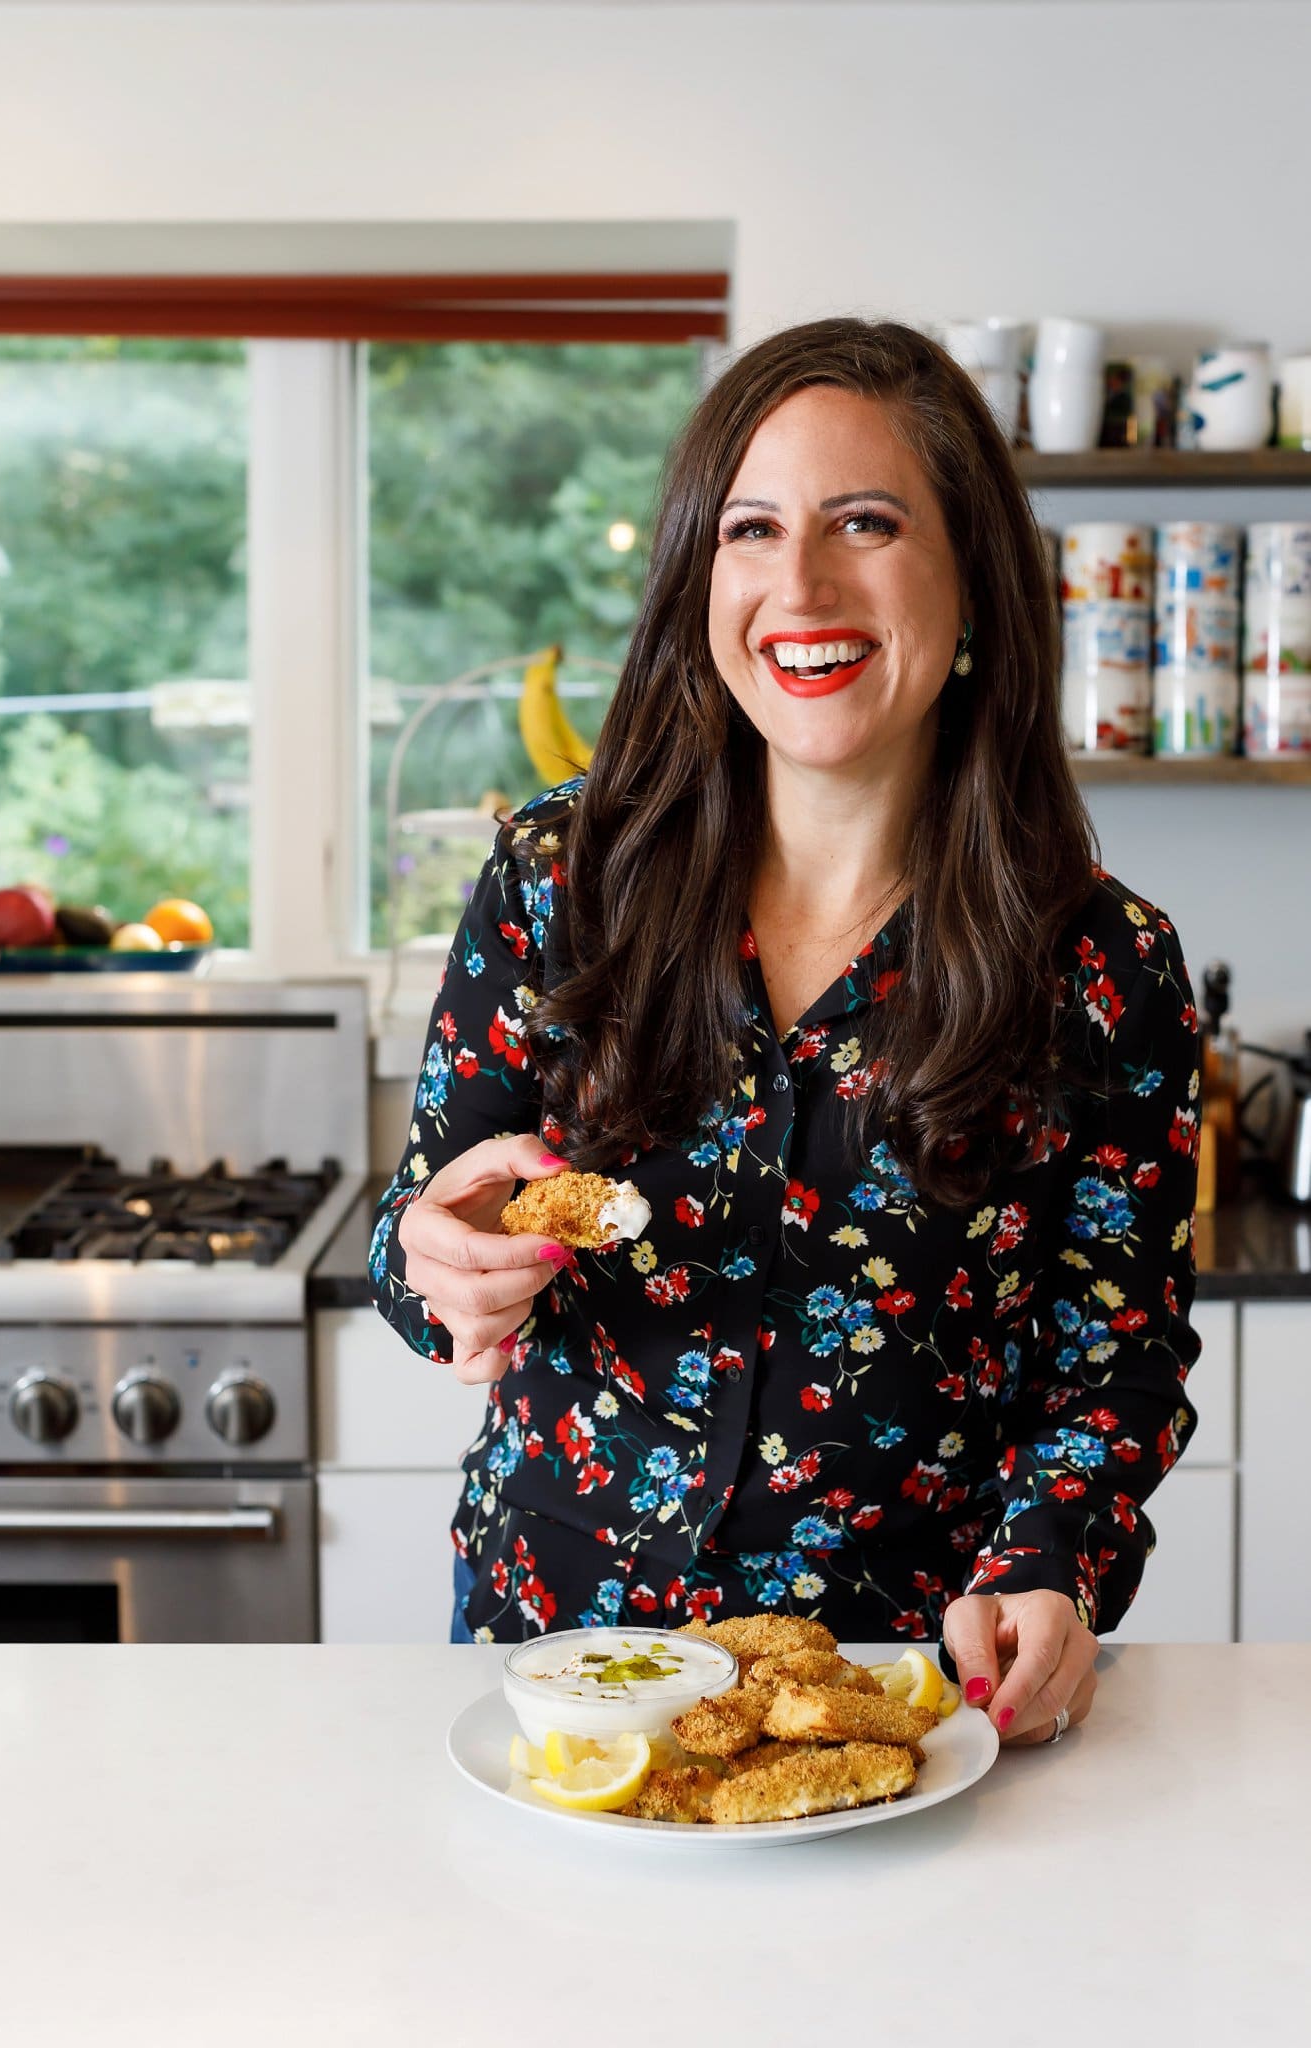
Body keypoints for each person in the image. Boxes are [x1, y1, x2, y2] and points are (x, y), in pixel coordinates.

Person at [369, 317, 1201, 1748]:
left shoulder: (1100, 965)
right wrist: (436, 1262)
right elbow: (424, 1230)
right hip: (560, 1659)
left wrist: (1052, 1564)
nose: (797, 584)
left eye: (863, 522)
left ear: (976, 589)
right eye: (749, 529)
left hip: (898, 1702)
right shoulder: (554, 884)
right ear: (703, 577)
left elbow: (1112, 1360)